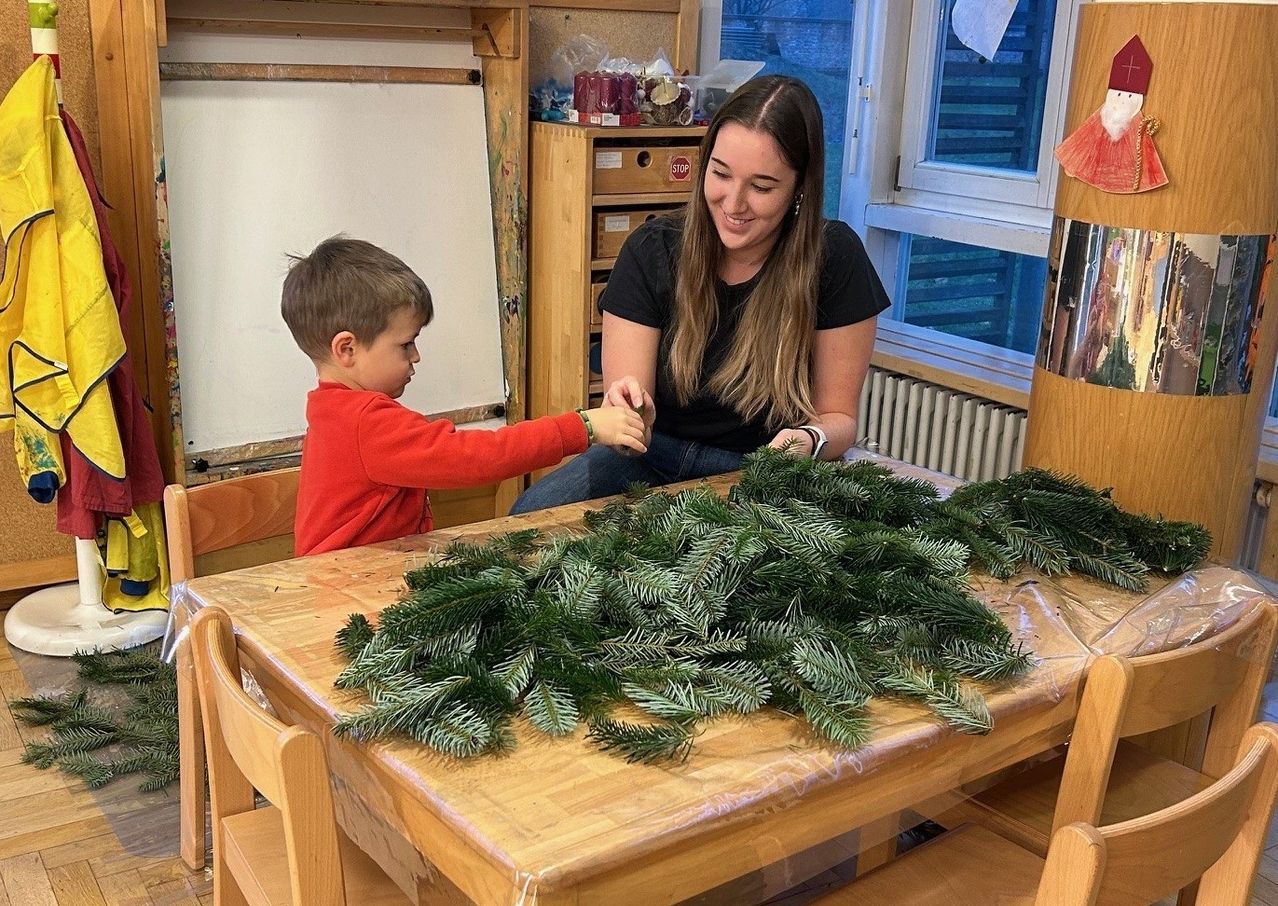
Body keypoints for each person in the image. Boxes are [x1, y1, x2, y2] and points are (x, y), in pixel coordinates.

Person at [511, 75, 889, 513]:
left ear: (800, 187)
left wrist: (809, 439)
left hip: (762, 468)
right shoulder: (653, 249)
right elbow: (628, 419)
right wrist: (629, 412)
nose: (734, 203)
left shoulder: (834, 257)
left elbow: (839, 419)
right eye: (720, 174)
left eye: (762, 187)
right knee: (528, 516)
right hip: (651, 457)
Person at [281, 237, 647, 556]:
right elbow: (478, 457)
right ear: (347, 349)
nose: (416, 356)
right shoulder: (365, 422)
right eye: (406, 344)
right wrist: (583, 426)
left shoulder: (333, 411)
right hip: (345, 593)